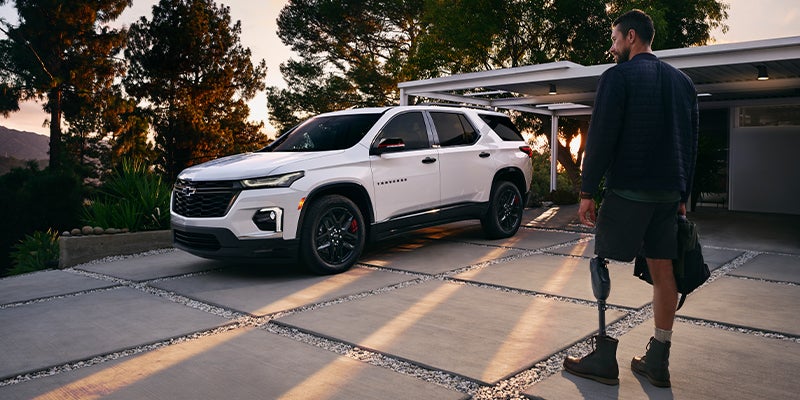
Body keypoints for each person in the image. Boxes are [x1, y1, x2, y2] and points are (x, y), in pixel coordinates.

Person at [562, 9, 699, 388]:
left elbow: (602, 135)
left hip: (629, 190)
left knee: (600, 259)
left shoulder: (617, 77)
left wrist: (587, 191)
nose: (612, 47)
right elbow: (691, 141)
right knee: (664, 270)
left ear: (632, 37)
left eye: (615, 39)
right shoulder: (683, 83)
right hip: (668, 193)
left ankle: (604, 360)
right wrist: (683, 194)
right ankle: (658, 359)